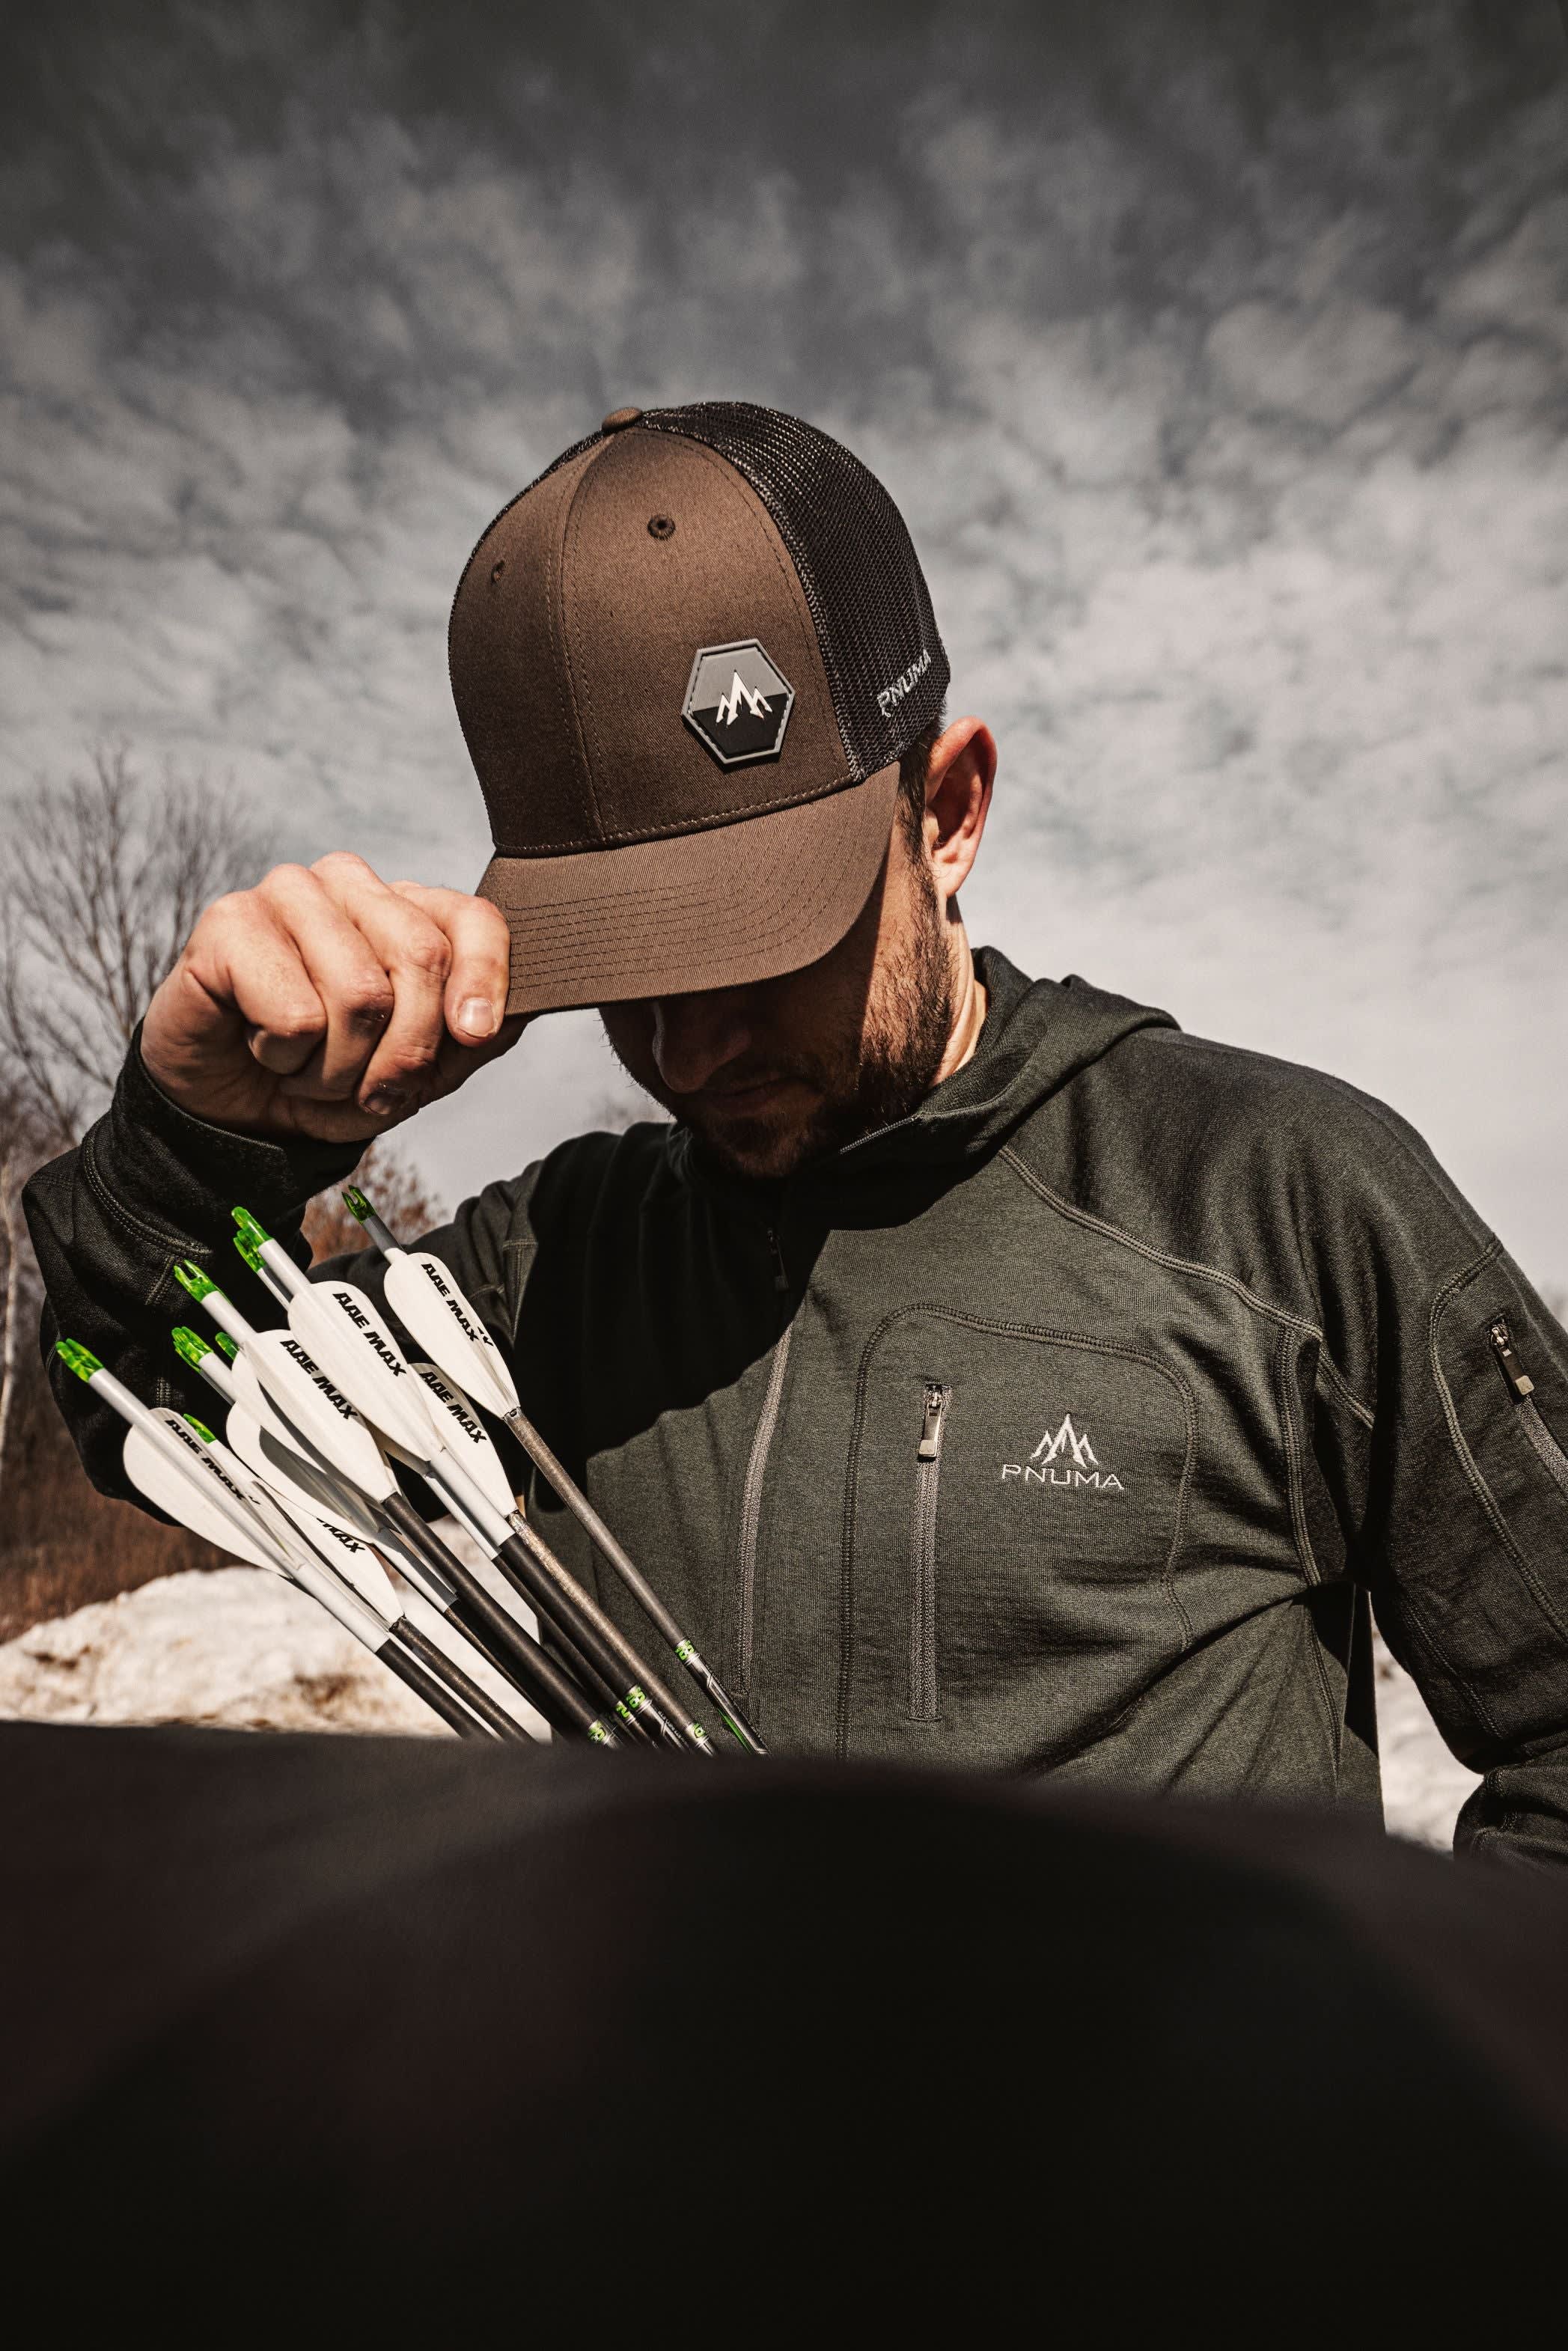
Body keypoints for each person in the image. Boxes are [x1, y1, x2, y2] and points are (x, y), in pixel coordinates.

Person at [25, 401, 1568, 1861]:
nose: (688, 1049)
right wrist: (196, 1145)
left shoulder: (1282, 1198)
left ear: (945, 813)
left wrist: (1387, 2049)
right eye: (624, 972)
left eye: (761, 943)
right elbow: (148, 1399)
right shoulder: (551, 1262)